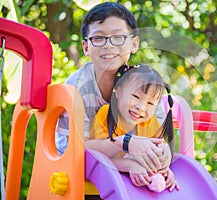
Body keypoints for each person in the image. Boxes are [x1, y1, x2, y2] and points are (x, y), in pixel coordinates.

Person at [55, 2, 171, 174]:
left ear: (134, 43)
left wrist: (164, 157)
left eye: (118, 37)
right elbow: (78, 150)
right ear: (86, 47)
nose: (108, 45)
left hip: (124, 165)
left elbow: (159, 141)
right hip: (74, 170)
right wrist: (127, 146)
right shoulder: (77, 88)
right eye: (98, 38)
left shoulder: (146, 86)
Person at [89, 64, 179, 192]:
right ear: (118, 92)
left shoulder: (150, 123)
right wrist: (130, 165)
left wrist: (163, 169)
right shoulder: (106, 115)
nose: (141, 107)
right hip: (104, 180)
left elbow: (158, 150)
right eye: (136, 97)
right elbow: (97, 156)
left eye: (150, 103)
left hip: (134, 188)